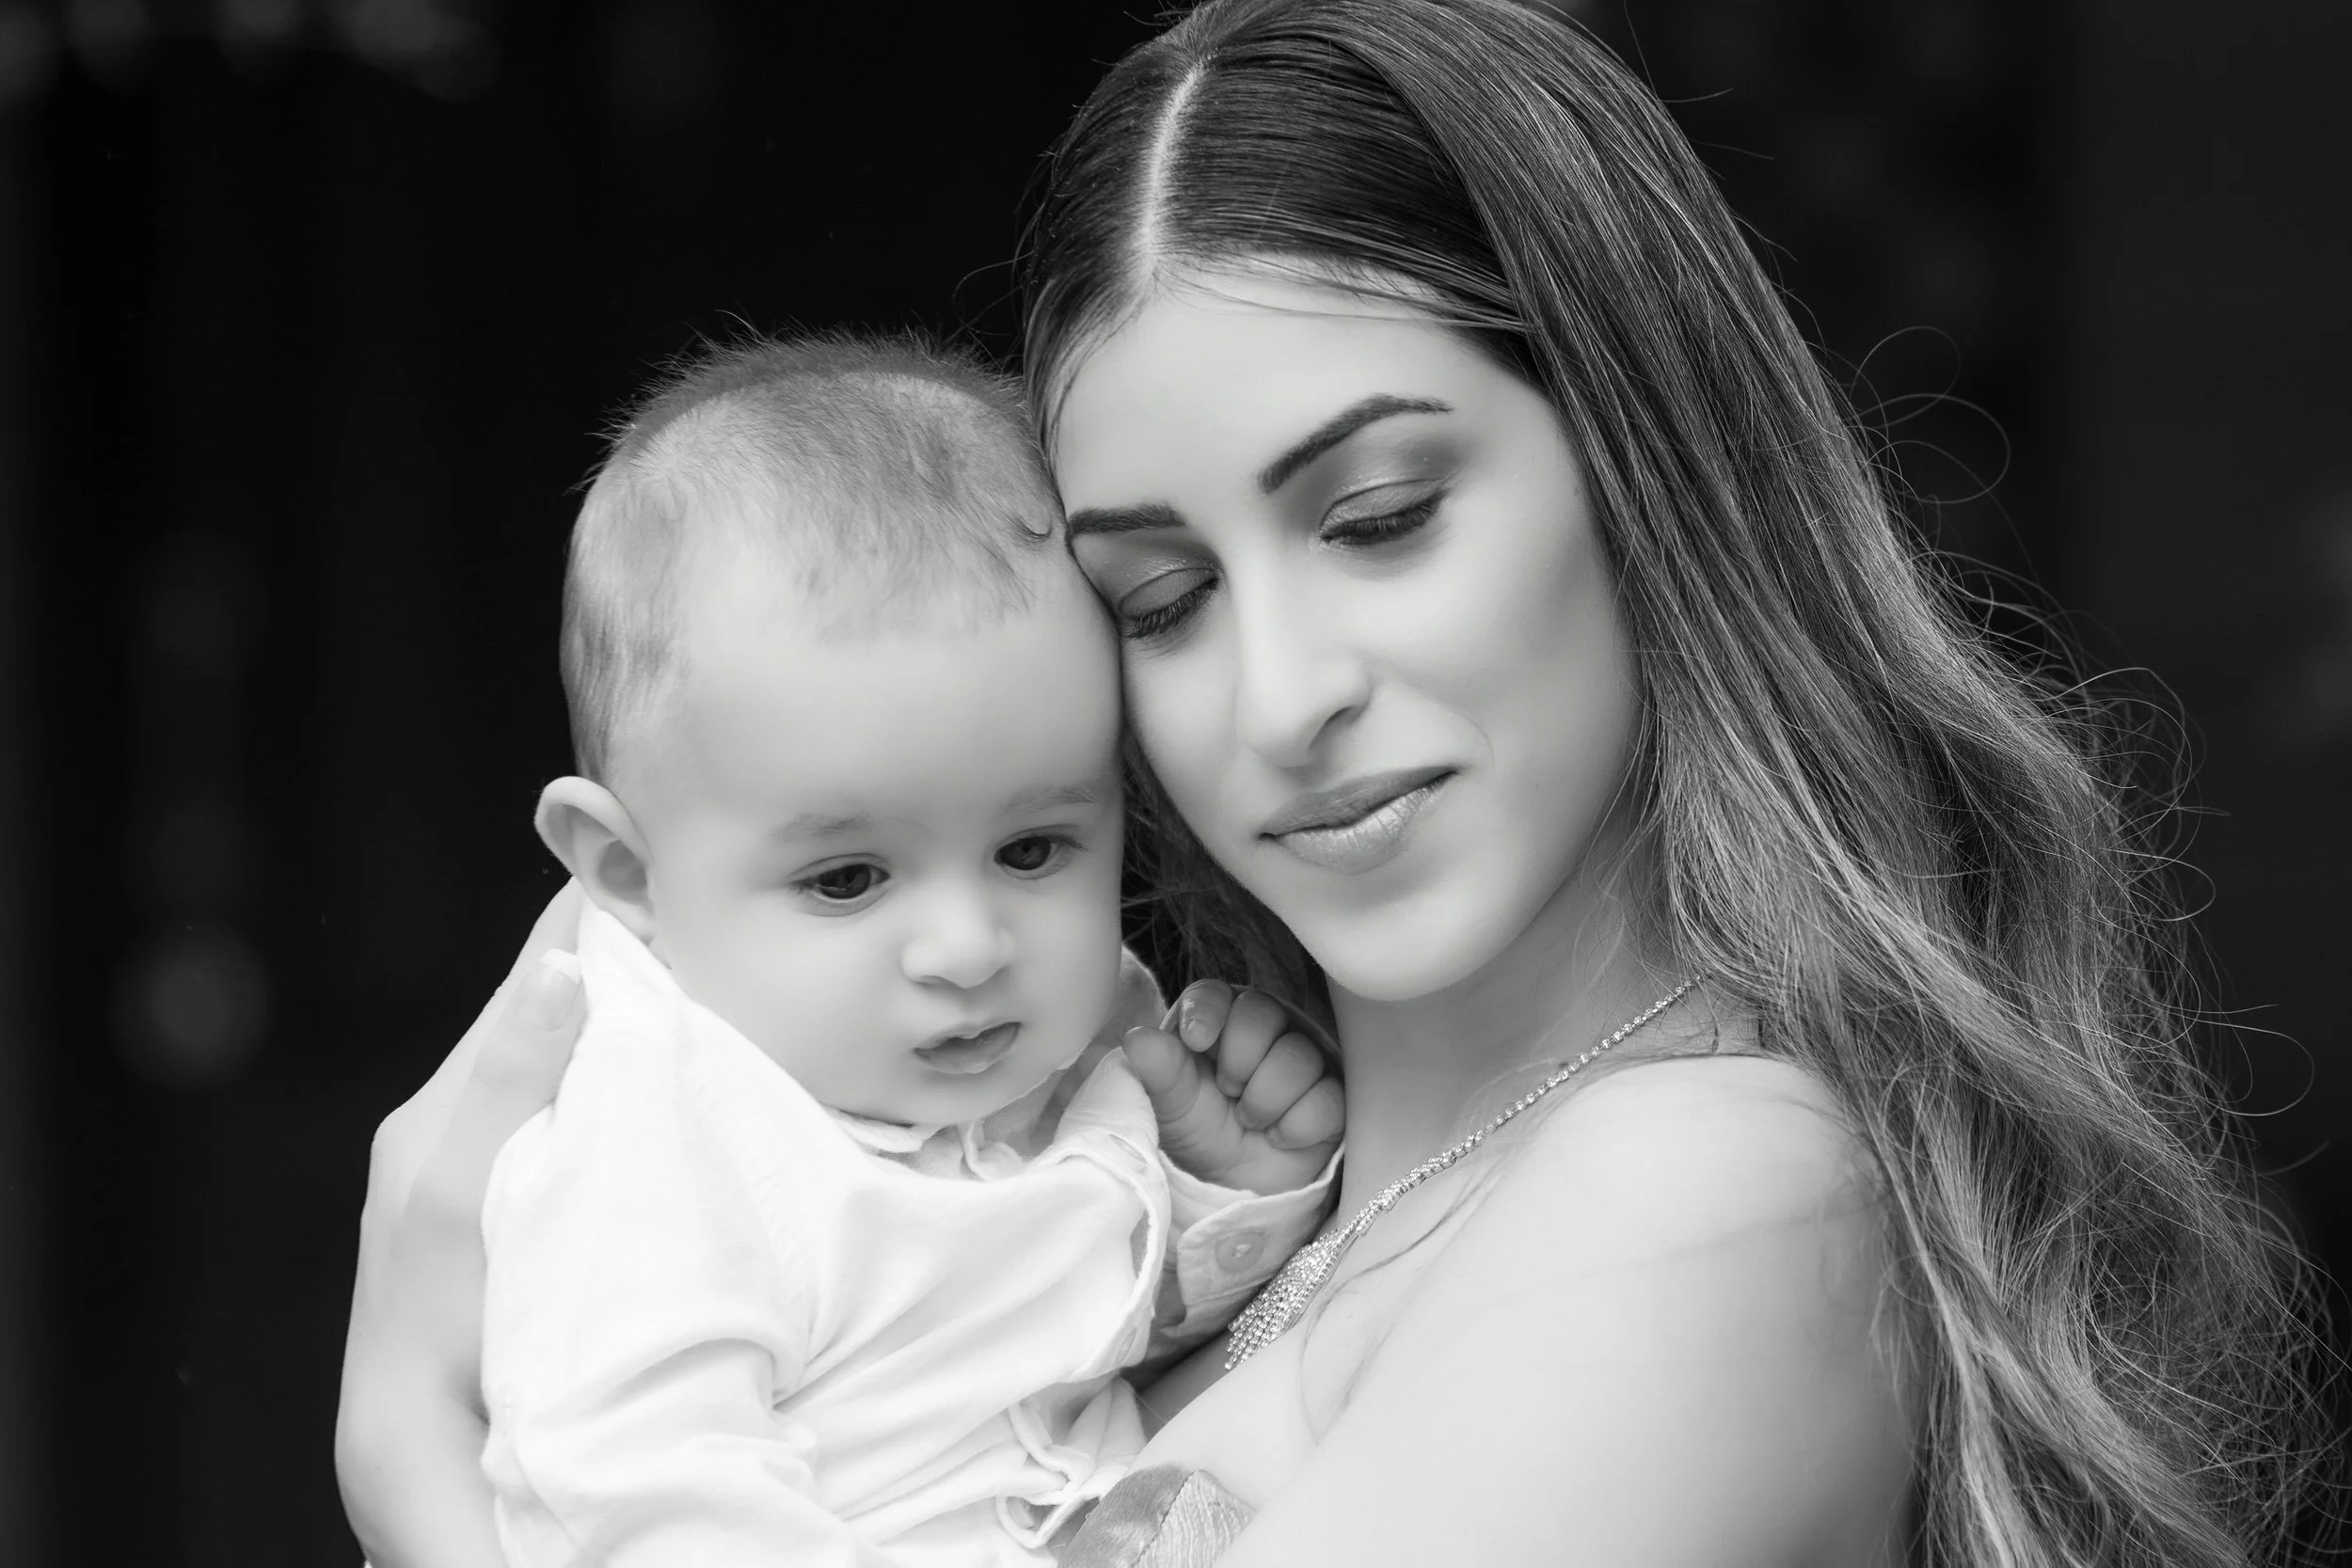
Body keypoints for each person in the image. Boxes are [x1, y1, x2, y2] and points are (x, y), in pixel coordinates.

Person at [338, 2, 2337, 1565]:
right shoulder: (1110, 1179)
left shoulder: (1703, 1191)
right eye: (1165, 596)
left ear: (1648, 472)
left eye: (1377, 518)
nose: (1279, 694)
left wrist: (413, 1444)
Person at [410, 333, 1349, 1567]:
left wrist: (1220, 1200)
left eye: (1034, 850)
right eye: (847, 878)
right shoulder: (661, 1141)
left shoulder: (1059, 1040)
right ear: (628, 873)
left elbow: (1054, 1324)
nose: (966, 946)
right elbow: (636, 1490)